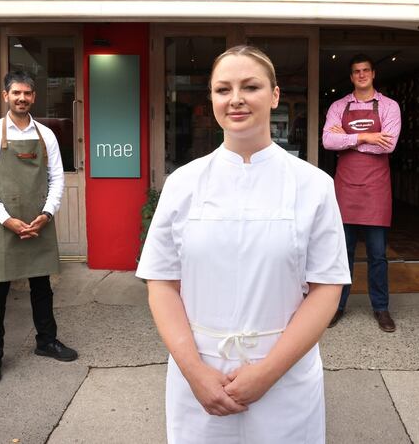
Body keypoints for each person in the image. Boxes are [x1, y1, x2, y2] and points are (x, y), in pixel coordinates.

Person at [137, 45, 350, 443]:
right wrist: (196, 373)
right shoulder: (183, 183)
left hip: (285, 376)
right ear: (212, 99)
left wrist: (265, 374)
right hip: (200, 373)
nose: (235, 99)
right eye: (223, 89)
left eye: (250, 86)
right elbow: (162, 282)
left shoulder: (313, 186)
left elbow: (326, 288)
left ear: (274, 95)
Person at [0, 70, 78, 385]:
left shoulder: (46, 135)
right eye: (16, 93)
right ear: (5, 96)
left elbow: (57, 178)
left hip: (37, 221)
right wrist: (8, 220)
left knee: (42, 287)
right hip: (1, 224)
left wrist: (46, 214)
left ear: (34, 97)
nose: (22, 98)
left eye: (27, 93)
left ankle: (46, 341)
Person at [321, 54, 401, 332]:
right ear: (351, 76)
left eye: (366, 70)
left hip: (376, 188)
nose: (362, 75)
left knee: (378, 254)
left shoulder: (390, 106)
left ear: (373, 74)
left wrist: (347, 140)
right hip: (346, 186)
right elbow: (328, 140)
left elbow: (388, 145)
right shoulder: (338, 105)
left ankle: (381, 308)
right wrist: (366, 137)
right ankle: (336, 306)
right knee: (342, 252)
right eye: (357, 71)